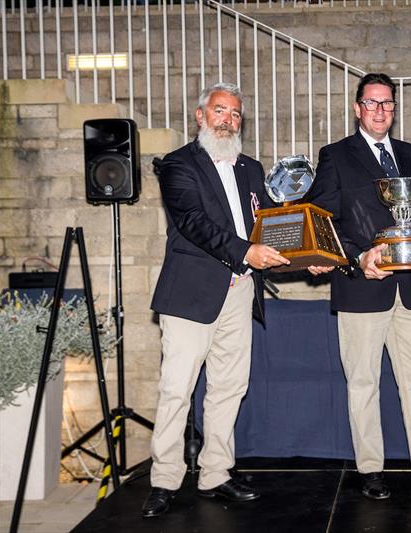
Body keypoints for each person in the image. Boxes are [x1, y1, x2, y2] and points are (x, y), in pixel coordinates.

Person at [307, 72, 411, 499]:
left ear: (395, 108)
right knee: (364, 383)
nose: (380, 111)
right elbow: (323, 221)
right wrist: (356, 258)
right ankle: (370, 469)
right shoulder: (335, 156)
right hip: (362, 287)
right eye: (371, 103)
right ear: (356, 108)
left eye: (387, 103)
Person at [142, 82, 290, 518]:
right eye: (220, 111)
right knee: (176, 391)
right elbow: (193, 222)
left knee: (229, 387)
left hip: (240, 290)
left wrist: (301, 256)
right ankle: (164, 480)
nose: (228, 120)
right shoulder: (177, 164)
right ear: (200, 115)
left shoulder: (250, 167)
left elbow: (266, 227)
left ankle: (216, 473)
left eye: (235, 114)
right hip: (191, 294)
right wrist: (248, 251)